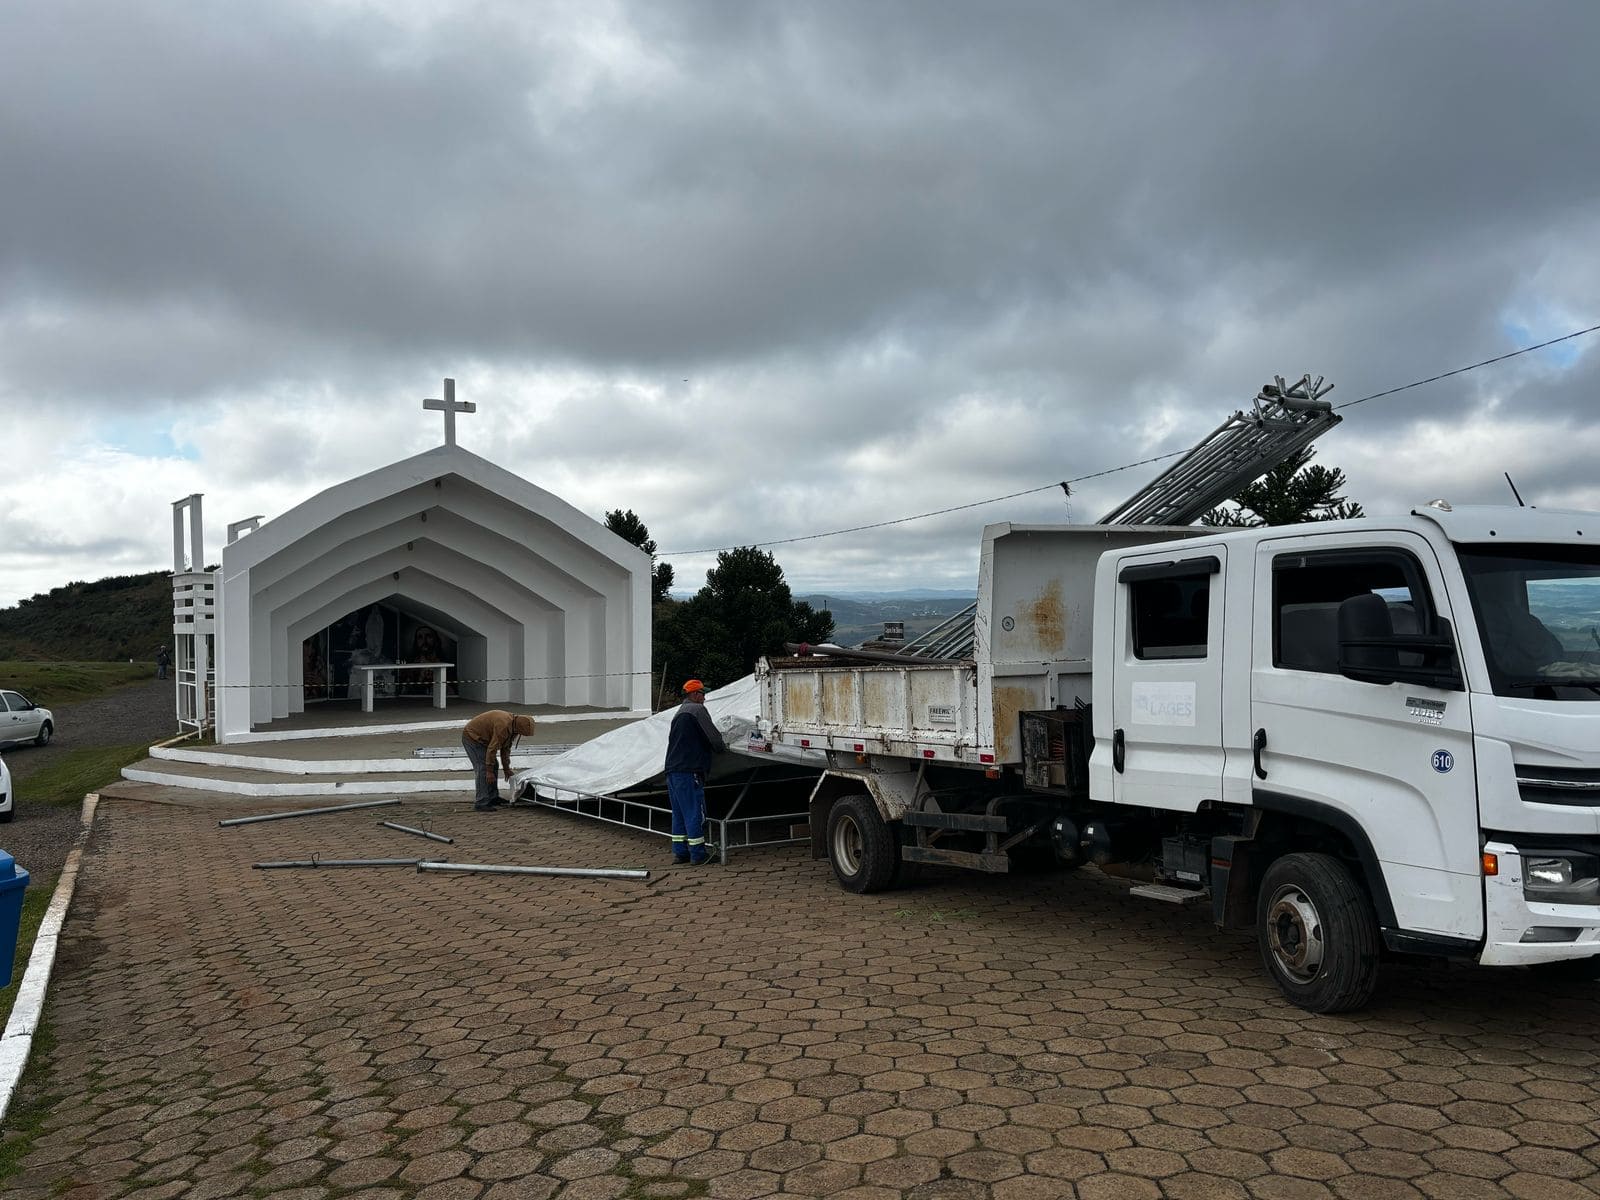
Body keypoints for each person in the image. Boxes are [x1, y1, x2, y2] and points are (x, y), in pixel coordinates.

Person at [664, 679, 725, 865]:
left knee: (679, 812)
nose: (705, 697)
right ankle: (698, 854)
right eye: (703, 693)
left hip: (672, 770)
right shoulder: (697, 710)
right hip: (689, 771)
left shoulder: (679, 713)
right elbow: (713, 738)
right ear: (695, 694)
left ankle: (680, 853)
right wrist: (721, 747)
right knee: (694, 812)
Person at [462, 710, 536, 811]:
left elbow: (505, 748)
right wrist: (489, 771)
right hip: (472, 738)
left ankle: (493, 797)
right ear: (520, 727)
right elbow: (492, 749)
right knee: (483, 767)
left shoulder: (513, 727)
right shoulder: (503, 725)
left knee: (494, 765)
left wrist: (506, 768)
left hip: (484, 740)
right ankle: (481, 802)